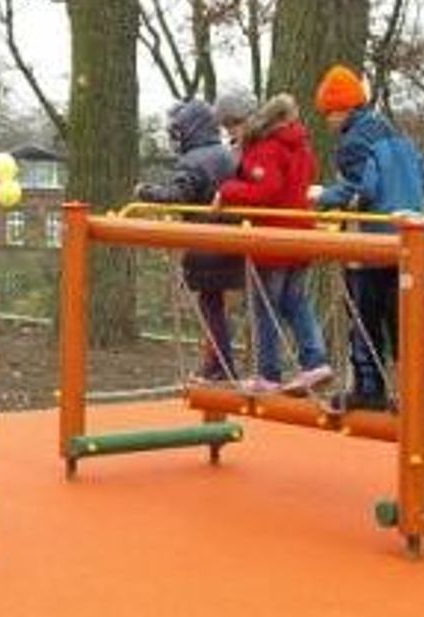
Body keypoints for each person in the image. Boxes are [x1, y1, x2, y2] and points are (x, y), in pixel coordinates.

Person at [312, 64, 424, 411]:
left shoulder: (353, 142)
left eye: (329, 114)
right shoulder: (393, 133)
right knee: (407, 320)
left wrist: (323, 197)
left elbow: (362, 188)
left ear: (343, 109)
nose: (328, 122)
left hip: (374, 242)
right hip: (410, 238)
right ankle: (423, 389)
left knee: (364, 316)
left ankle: (369, 386)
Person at [215, 94, 333, 396]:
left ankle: (269, 373)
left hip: (273, 239)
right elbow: (306, 179)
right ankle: (315, 361)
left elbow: (265, 190)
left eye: (233, 126)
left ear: (253, 121)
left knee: (265, 306)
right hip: (299, 237)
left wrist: (227, 190)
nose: (231, 133)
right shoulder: (301, 147)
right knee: (295, 302)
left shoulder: (265, 148)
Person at [135, 100, 243, 380]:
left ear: (191, 130)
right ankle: (219, 363)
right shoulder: (226, 155)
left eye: (178, 132)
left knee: (211, 306)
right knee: (217, 307)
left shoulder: (194, 161)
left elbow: (179, 194)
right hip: (231, 239)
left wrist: (147, 192)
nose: (175, 140)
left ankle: (221, 365)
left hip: (207, 242)